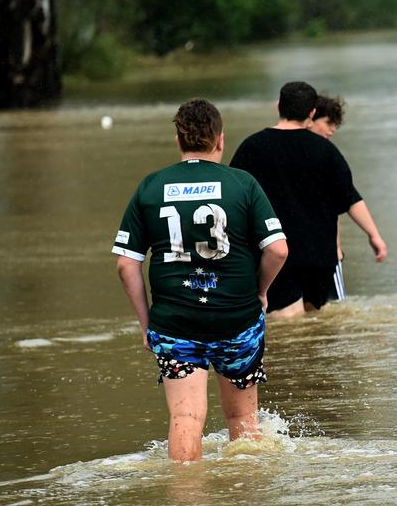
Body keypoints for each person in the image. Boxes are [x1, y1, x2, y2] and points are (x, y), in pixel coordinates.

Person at [112, 98, 288, 462]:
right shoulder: (243, 183)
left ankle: (185, 495)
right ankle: (243, 493)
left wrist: (147, 324)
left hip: (175, 324)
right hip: (237, 319)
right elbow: (278, 250)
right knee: (242, 418)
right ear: (220, 140)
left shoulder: (151, 186)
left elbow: (126, 264)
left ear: (178, 140)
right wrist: (259, 292)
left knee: (185, 417)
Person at [230, 81, 387, 319]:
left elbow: (233, 201)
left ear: (279, 106)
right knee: (319, 320)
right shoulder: (326, 150)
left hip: (275, 253)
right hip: (320, 256)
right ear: (312, 112)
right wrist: (374, 235)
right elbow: (350, 198)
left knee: (285, 321)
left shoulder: (251, 147)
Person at [308, 93, 350, 299]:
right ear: (311, 117)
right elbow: (345, 201)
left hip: (316, 248)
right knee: (334, 308)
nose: (332, 130)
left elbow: (332, 206)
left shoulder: (324, 153)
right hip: (320, 252)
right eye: (328, 123)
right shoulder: (326, 154)